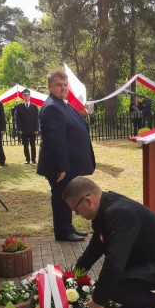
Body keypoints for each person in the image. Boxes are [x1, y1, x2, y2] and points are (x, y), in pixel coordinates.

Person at [63, 176, 155, 308]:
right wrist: (72, 277)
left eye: (75, 209)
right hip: (147, 259)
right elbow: (94, 250)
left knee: (113, 287)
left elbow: (114, 263)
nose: (76, 214)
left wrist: (98, 301)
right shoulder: (104, 210)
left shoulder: (120, 213)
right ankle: (137, 303)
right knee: (111, 283)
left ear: (87, 201)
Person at [36, 69, 96, 242]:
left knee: (67, 195)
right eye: (58, 85)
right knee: (61, 197)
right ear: (49, 86)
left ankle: (68, 228)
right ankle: (63, 232)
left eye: (65, 85)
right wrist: (62, 167)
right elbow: (56, 140)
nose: (63, 88)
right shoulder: (51, 107)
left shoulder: (61, 103)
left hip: (68, 163)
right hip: (59, 166)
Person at [14, 88, 39, 165]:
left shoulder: (34, 107)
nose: (26, 97)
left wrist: (36, 129)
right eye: (25, 95)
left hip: (32, 129)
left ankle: (33, 159)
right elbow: (18, 119)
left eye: (27, 95)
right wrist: (19, 129)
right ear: (23, 96)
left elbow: (36, 119)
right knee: (25, 145)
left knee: (33, 145)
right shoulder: (19, 107)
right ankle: (27, 159)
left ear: (30, 96)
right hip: (23, 130)